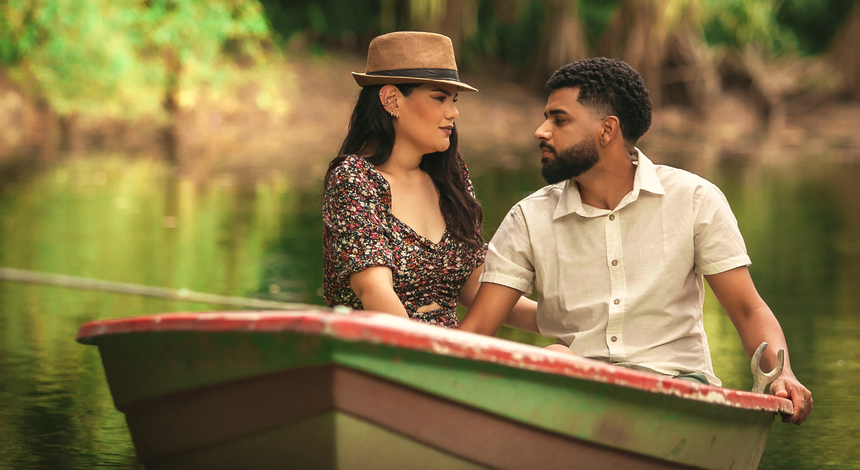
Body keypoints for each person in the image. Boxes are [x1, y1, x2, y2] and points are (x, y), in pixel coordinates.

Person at [459, 57, 813, 425]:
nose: (541, 131)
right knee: (553, 358)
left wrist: (783, 375)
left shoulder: (694, 199)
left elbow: (748, 310)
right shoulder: (528, 219)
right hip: (576, 394)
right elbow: (479, 329)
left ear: (607, 130)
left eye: (559, 120)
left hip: (680, 392)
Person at [322, 31, 538, 331]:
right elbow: (374, 291)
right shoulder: (355, 178)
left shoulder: (451, 178)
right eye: (439, 98)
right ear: (391, 100)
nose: (454, 112)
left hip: (447, 350)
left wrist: (567, 322)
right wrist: (432, 353)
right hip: (381, 350)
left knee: (559, 351)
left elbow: (478, 290)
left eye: (454, 100)